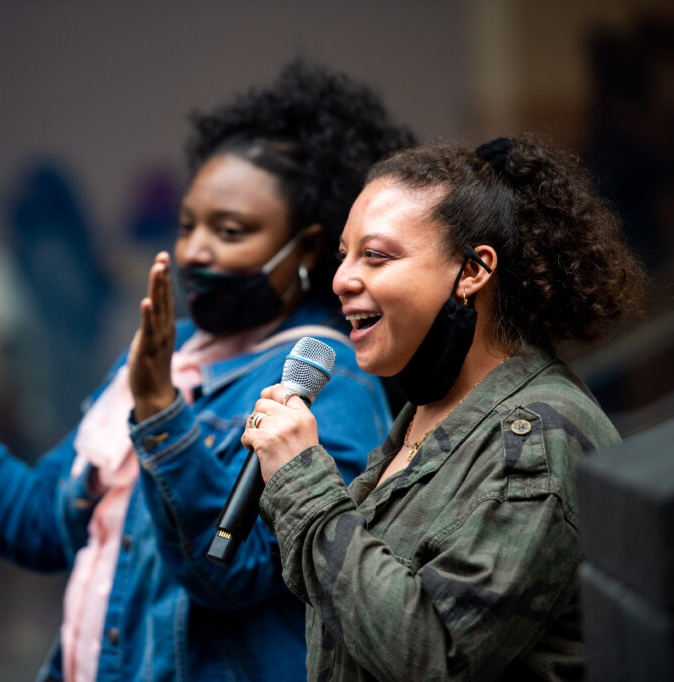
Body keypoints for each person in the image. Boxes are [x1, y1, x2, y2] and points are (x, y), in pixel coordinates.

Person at [0, 61, 414, 681]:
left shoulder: (329, 387)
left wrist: (163, 420)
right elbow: (39, 520)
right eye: (187, 225)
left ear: (307, 246)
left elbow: (229, 570)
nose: (195, 249)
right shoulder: (162, 356)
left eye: (230, 231)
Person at [243, 136, 649, 681]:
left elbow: (434, 655)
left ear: (472, 271)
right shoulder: (423, 412)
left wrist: (303, 485)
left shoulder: (536, 439)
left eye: (377, 255)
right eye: (345, 255)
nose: (342, 279)